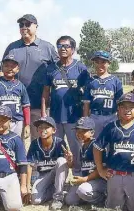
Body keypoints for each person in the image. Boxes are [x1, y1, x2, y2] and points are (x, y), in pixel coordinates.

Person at [93, 93, 134, 210]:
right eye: (124, 107)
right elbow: (97, 148)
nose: (127, 110)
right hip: (114, 174)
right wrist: (100, 169)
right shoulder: (111, 127)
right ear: (118, 109)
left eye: (131, 107)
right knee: (113, 208)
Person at [3, 14, 58, 139]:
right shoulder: (12, 47)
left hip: (39, 105)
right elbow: (3, 72)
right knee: (12, 142)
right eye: (21, 25)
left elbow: (58, 71)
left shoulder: (47, 48)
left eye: (27, 24)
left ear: (36, 26)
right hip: (14, 105)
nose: (24, 27)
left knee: (38, 142)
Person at [42, 35, 90, 175]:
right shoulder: (51, 68)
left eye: (66, 46)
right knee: (55, 149)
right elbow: (46, 92)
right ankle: (57, 180)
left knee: (77, 149)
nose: (62, 48)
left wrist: (86, 116)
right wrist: (44, 114)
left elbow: (88, 91)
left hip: (74, 117)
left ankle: (77, 177)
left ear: (73, 49)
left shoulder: (80, 67)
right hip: (56, 117)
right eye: (60, 46)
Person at [25, 116, 72, 210]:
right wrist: (28, 187)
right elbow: (29, 165)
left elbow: (68, 166)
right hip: (42, 176)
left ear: (54, 130)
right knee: (36, 200)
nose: (43, 130)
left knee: (62, 160)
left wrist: (69, 160)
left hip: (57, 174)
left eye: (46, 127)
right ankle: (61, 189)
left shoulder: (60, 142)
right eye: (40, 127)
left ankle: (58, 198)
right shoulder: (34, 144)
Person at [0, 53, 31, 139]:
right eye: (6, 66)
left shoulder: (20, 86)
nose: (9, 68)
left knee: (14, 146)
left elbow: (26, 106)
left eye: (12, 66)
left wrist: (27, 125)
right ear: (2, 67)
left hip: (16, 121)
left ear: (18, 69)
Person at [65, 117, 107, 209]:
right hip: (88, 180)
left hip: (100, 181)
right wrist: (70, 162)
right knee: (70, 200)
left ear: (92, 132)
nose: (79, 134)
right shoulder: (83, 146)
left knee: (82, 190)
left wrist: (85, 179)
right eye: (78, 131)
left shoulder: (97, 145)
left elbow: (102, 169)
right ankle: (88, 196)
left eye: (83, 131)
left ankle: (103, 200)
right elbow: (85, 168)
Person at [82, 50, 123, 136]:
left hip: (111, 116)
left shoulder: (115, 81)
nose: (100, 65)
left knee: (111, 142)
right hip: (95, 116)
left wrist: (120, 119)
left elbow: (120, 103)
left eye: (103, 62)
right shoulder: (90, 81)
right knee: (95, 142)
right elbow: (86, 103)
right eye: (97, 62)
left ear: (109, 63)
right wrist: (86, 120)